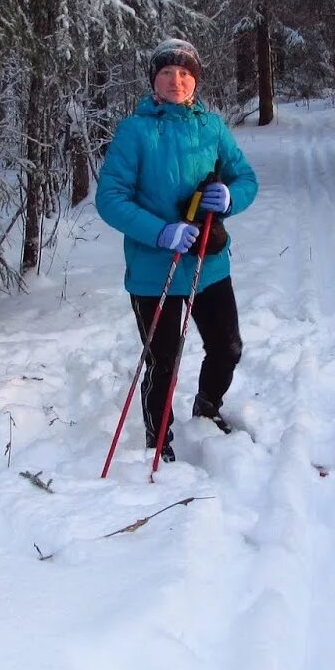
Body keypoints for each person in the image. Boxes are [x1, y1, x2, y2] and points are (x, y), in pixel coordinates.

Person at [96, 38, 259, 463]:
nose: (176, 80)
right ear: (154, 79)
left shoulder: (212, 127)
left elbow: (245, 179)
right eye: (167, 72)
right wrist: (160, 232)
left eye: (185, 73)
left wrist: (228, 197)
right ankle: (159, 441)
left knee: (227, 348)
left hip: (208, 262)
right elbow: (110, 198)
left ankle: (207, 408)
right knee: (163, 363)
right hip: (155, 268)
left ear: (195, 80)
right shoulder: (135, 131)